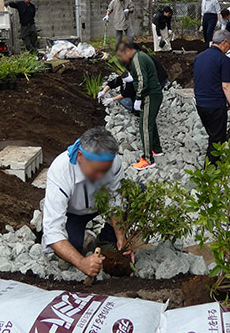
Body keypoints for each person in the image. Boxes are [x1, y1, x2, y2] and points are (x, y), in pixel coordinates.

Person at [42, 127, 132, 278]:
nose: (101, 177)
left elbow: (116, 199)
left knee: (136, 194)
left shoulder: (113, 161)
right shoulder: (61, 171)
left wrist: (121, 235)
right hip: (73, 213)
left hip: (100, 205)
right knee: (72, 250)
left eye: (105, 171)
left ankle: (107, 239)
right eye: (96, 171)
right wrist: (81, 262)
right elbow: (53, 230)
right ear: (80, 156)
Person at [193, 29, 230, 164]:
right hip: (215, 105)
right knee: (217, 140)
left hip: (200, 104)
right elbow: (226, 85)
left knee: (213, 134)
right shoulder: (223, 59)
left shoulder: (200, 57)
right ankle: (210, 169)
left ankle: (214, 163)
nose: (229, 49)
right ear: (224, 42)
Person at [116, 41, 163, 170]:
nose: (121, 59)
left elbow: (142, 80)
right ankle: (156, 149)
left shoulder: (137, 59)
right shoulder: (140, 56)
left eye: (121, 56)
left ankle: (148, 159)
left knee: (145, 126)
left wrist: (138, 98)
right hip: (153, 94)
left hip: (149, 95)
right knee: (149, 122)